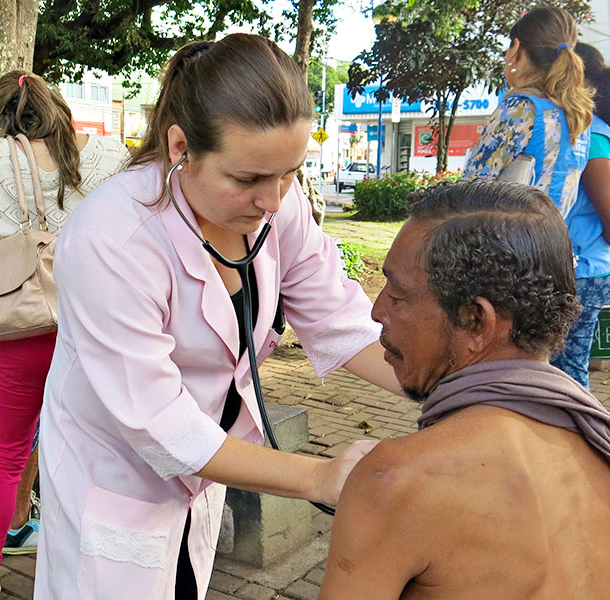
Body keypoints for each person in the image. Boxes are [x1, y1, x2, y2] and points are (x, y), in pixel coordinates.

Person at [35, 34, 400, 600]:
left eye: (290, 172)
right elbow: (159, 421)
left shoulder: (279, 205)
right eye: (247, 179)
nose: (273, 200)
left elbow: (341, 322)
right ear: (181, 147)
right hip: (116, 476)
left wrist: (461, 387)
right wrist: (319, 476)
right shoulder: (111, 237)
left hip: (205, 472)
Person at [318, 179, 610, 599]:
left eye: (397, 295)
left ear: (475, 322)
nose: (377, 311)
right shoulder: (597, 453)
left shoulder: (396, 481)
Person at [0, 70, 128, 600]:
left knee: (4, 457)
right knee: (97, 454)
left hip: (17, 330)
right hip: (95, 325)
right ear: (58, 107)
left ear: (3, 114)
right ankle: (95, 581)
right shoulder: (108, 155)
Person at [463, 6, 592, 217]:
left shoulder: (520, 108)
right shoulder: (578, 115)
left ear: (516, 47)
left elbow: (471, 190)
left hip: (509, 236)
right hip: (554, 235)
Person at [551, 43, 610, 388]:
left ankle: (582, 423)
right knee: (562, 370)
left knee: (567, 373)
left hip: (584, 271)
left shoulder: (593, 136)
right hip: (579, 268)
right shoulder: (582, 130)